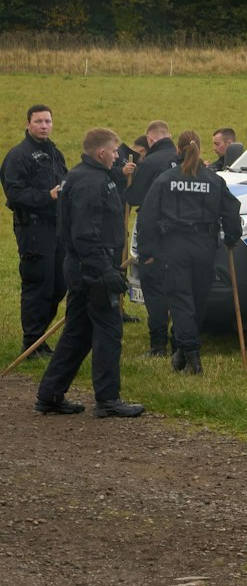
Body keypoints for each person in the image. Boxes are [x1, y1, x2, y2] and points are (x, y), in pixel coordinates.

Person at [35, 127, 142, 418]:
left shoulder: (87, 176)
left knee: (77, 334)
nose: (118, 155)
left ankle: (50, 394)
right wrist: (104, 270)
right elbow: (85, 234)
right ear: (101, 152)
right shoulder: (90, 183)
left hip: (83, 267)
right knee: (109, 331)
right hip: (92, 268)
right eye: (115, 150)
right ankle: (108, 399)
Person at [135, 130, 241, 375]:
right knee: (198, 299)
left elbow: (148, 216)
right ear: (200, 149)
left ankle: (192, 355)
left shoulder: (166, 179)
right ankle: (182, 351)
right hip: (205, 246)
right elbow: (231, 209)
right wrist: (232, 238)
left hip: (175, 246)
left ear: (177, 150)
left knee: (180, 300)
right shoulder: (213, 180)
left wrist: (147, 250)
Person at [4, 104, 67, 358]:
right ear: (28, 124)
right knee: (37, 284)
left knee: (59, 284)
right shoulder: (18, 156)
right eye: (39, 121)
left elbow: (66, 179)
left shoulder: (54, 152)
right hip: (32, 227)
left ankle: (40, 338)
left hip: (56, 227)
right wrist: (46, 196)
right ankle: (31, 344)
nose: (44, 126)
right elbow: (14, 193)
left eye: (48, 121)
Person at [126, 121, 180, 357]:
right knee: (179, 289)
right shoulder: (183, 160)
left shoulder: (150, 162)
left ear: (149, 140)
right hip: (183, 236)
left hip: (155, 234)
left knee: (155, 290)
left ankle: (158, 344)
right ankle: (180, 340)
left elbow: (135, 197)